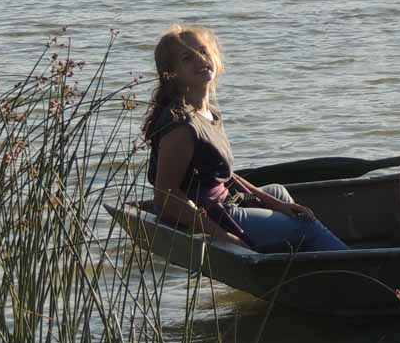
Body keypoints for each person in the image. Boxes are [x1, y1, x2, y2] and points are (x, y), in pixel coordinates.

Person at [145, 25, 348, 253]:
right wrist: (223, 236)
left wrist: (277, 204)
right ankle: (351, 263)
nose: (200, 59)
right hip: (209, 215)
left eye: (203, 51)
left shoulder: (209, 113)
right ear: (171, 74)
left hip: (223, 203)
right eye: (187, 58)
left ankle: (290, 260)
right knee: (305, 226)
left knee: (278, 192)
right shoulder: (182, 126)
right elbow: (166, 197)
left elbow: (223, 175)